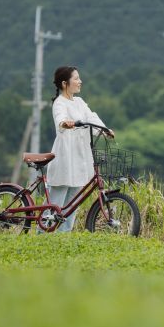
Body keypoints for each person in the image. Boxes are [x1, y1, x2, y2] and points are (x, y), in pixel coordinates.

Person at [46, 65, 114, 232]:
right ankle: (44, 235)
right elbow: (60, 119)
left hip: (80, 157)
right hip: (65, 156)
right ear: (64, 83)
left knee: (73, 203)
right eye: (76, 78)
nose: (80, 81)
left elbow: (92, 117)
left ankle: (64, 237)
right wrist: (65, 123)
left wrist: (105, 130)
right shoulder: (59, 103)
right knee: (56, 204)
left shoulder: (80, 102)